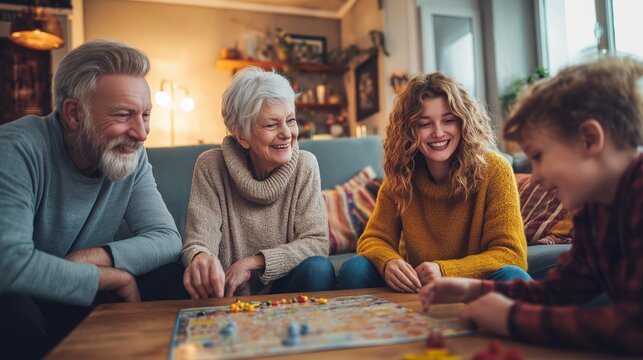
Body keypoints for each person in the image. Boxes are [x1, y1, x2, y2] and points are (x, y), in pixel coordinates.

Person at [419, 57, 643, 355]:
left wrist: (510, 317)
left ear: (589, 139)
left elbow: (633, 327)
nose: (535, 177)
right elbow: (558, 291)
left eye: (538, 156)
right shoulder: (595, 211)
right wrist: (474, 289)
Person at [0, 40, 184, 358]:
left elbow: (167, 239)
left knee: (175, 276)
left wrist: (94, 258)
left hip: (79, 298)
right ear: (74, 114)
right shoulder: (16, 148)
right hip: (25, 301)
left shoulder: (131, 155)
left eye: (146, 115)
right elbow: (9, 263)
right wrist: (110, 278)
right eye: (124, 115)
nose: (141, 133)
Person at [336, 72, 530, 292]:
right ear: (409, 130)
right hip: (418, 288)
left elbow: (511, 254)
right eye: (424, 124)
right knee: (356, 268)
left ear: (463, 123)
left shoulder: (496, 169)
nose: (438, 133)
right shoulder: (401, 174)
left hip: (475, 288)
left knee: (513, 276)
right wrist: (389, 262)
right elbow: (373, 238)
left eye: (448, 120)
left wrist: (445, 270)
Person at [181, 66, 335, 299]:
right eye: (271, 125)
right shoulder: (211, 165)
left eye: (290, 120)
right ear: (242, 135)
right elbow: (199, 242)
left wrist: (254, 263)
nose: (287, 133)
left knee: (319, 269)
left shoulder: (305, 165)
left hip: (287, 292)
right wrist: (200, 258)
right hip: (226, 294)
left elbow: (317, 243)